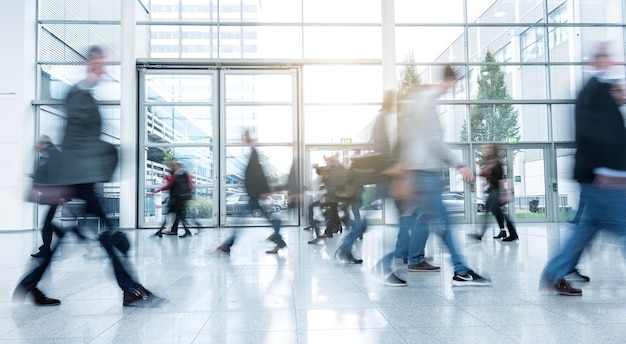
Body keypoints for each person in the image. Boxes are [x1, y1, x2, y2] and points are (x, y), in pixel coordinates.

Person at [14, 45, 165, 307]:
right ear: (88, 63)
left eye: (104, 63)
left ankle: (30, 284)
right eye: (98, 62)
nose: (102, 67)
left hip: (82, 179)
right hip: (78, 180)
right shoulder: (78, 94)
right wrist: (66, 183)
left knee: (76, 234)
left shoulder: (86, 95)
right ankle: (129, 289)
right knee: (107, 233)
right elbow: (73, 140)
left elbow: (84, 140)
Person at [376, 65, 491, 287]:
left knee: (421, 219)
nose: (453, 88)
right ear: (450, 80)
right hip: (424, 172)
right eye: (455, 84)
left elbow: (414, 138)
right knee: (442, 221)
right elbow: (432, 140)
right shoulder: (427, 100)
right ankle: (459, 270)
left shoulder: (422, 98)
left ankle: (448, 266)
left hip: (419, 171)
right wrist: (459, 164)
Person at [540, 43, 626, 296]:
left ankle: (553, 273)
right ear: (599, 61)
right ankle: (554, 273)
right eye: (608, 58)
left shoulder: (598, 90)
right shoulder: (595, 91)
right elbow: (592, 134)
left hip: (600, 178)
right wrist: (608, 170)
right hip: (606, 178)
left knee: (585, 230)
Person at [217, 129, 287, 254]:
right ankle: (280, 241)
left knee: (240, 221)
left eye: (243, 138)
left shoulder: (254, 155)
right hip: (255, 195)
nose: (241, 140)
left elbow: (259, 174)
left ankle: (227, 245)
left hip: (255, 195)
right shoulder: (253, 155)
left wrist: (264, 191)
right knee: (267, 219)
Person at [469, 143, 518, 241]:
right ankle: (508, 232)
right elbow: (485, 175)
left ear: (492, 150)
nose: (484, 150)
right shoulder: (489, 162)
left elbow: (501, 179)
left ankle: (481, 235)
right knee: (498, 212)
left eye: (487, 148)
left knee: (489, 210)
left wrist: (506, 193)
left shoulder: (497, 163)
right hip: (492, 191)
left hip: (497, 191)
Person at [30, 135, 65, 258]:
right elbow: (47, 172)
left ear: (43, 143)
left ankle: (46, 248)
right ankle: (46, 248)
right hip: (54, 194)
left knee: (46, 223)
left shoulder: (52, 154)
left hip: (54, 195)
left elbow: (54, 175)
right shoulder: (50, 153)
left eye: (37, 144)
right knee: (47, 222)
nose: (36, 146)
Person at [151, 161, 194, 238]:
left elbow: (169, 185)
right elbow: (190, 185)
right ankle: (178, 231)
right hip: (183, 198)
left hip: (176, 199)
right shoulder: (185, 173)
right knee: (179, 216)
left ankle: (160, 231)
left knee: (171, 214)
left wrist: (155, 191)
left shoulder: (176, 174)